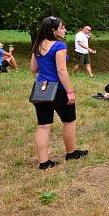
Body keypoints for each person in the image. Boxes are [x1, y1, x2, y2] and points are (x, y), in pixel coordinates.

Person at [30, 16, 87, 170]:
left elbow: (33, 68)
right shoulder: (59, 45)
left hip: (41, 89)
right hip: (59, 90)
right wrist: (70, 92)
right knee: (69, 121)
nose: (65, 30)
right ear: (53, 30)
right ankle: (71, 153)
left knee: (43, 126)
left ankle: (44, 162)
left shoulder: (37, 45)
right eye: (62, 27)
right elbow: (61, 71)